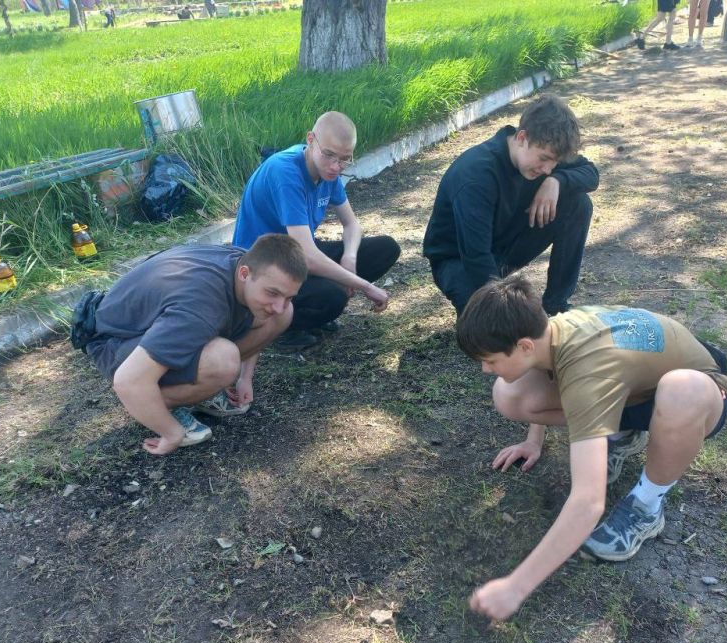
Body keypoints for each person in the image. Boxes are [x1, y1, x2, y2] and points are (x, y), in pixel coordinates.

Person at [456, 276, 727, 622]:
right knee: (509, 393)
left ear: (524, 345)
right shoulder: (550, 331)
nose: (485, 369)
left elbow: (588, 502)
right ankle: (623, 433)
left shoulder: (588, 371)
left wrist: (516, 587)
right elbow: (552, 371)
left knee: (681, 391)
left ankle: (647, 504)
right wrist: (533, 439)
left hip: (701, 387)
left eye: (491, 360)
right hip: (637, 385)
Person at [82, 235, 308, 456]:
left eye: (288, 296)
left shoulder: (245, 263)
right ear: (244, 274)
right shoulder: (200, 306)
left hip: (158, 324)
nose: (279, 305)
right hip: (114, 343)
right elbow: (128, 380)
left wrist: (245, 378)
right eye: (272, 293)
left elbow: (271, 311)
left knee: (282, 315)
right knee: (223, 360)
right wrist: (171, 433)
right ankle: (157, 406)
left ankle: (197, 388)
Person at [233, 111, 401, 350]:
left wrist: (349, 258)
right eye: (329, 155)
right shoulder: (285, 172)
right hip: (263, 264)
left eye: (345, 159)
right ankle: (278, 328)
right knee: (333, 297)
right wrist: (365, 285)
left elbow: (352, 224)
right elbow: (308, 257)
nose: (335, 166)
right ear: (311, 140)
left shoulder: (328, 171)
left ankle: (312, 311)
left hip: (295, 252)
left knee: (385, 249)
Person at [423, 95, 598, 317]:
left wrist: (556, 181)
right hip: (459, 260)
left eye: (554, 163)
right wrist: (505, 306)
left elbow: (591, 173)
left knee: (578, 203)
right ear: (522, 137)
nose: (547, 169)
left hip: (505, 246)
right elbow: (476, 255)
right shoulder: (477, 175)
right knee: (495, 324)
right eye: (544, 159)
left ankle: (556, 306)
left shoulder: (547, 152)